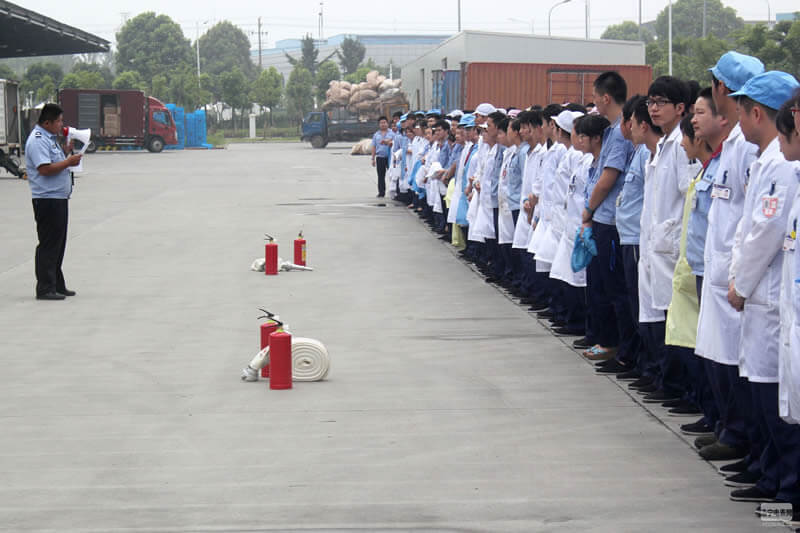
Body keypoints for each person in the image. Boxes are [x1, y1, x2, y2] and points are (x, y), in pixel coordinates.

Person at [725, 71, 800, 504]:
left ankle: (784, 486)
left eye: (740, 109)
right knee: (763, 393)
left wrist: (741, 282)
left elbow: (766, 230)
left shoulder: (780, 163)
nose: (736, 117)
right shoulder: (769, 158)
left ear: (758, 112)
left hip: (770, 296)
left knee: (776, 401)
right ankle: (769, 475)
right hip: (764, 298)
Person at [693, 52, 764, 464]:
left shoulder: (746, 149)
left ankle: (743, 440)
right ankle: (731, 431)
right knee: (722, 360)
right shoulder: (731, 145)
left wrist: (738, 275)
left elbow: (752, 221)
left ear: (723, 88)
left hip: (738, 278)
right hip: (722, 271)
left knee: (741, 367)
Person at [637, 76, 692, 404]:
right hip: (655, 248)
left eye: (660, 102)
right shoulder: (662, 148)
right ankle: (662, 379)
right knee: (657, 318)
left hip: (671, 250)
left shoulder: (682, 147)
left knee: (675, 323)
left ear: (680, 108)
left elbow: (688, 197)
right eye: (650, 102)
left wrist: (670, 236)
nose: (654, 109)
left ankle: (678, 387)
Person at [581, 72, 637, 364]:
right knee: (603, 285)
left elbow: (609, 176)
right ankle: (610, 342)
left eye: (595, 97)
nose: (594, 104)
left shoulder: (618, 133)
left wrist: (589, 209)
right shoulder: (614, 130)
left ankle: (620, 347)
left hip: (611, 219)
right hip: (604, 218)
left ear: (605, 98)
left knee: (615, 289)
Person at [25, 103, 83, 301]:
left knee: (58, 244)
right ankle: (45, 288)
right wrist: (69, 162)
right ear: (47, 122)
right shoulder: (38, 140)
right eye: (58, 121)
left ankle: (57, 284)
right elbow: (45, 169)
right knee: (49, 244)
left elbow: (53, 162)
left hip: (57, 198)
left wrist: (66, 153)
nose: (61, 124)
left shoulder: (49, 139)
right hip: (47, 199)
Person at [371, 116, 395, 197]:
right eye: (381, 123)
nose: (383, 124)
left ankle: (394, 191)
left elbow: (395, 143)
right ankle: (381, 192)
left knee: (393, 175)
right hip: (380, 157)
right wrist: (373, 159)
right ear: (379, 124)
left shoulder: (392, 133)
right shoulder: (376, 135)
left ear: (387, 123)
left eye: (384, 122)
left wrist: (388, 142)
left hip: (390, 158)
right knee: (381, 176)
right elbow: (373, 147)